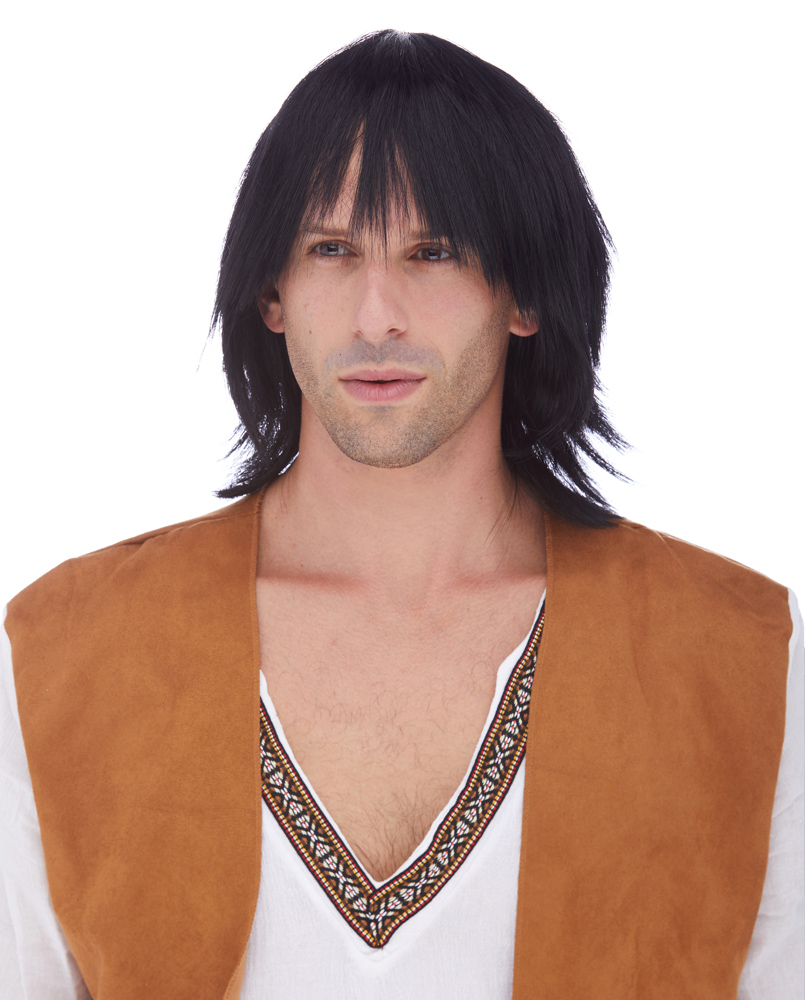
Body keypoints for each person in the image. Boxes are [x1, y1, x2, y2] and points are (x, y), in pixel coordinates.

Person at [1, 28, 801, 1000]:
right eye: (332, 250)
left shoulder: (741, 659)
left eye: (434, 251)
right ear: (272, 293)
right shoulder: (66, 653)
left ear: (525, 296)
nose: (375, 313)